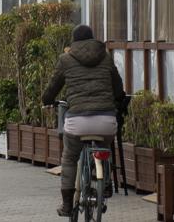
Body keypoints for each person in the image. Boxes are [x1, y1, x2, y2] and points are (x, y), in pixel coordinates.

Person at [41, 25, 126, 217]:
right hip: (105, 119)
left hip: (77, 121)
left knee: (70, 157)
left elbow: (53, 87)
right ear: (93, 39)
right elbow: (118, 86)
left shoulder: (66, 59)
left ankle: (66, 204)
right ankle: (106, 184)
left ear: (74, 41)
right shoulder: (105, 57)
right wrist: (119, 98)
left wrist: (47, 100)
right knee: (105, 146)